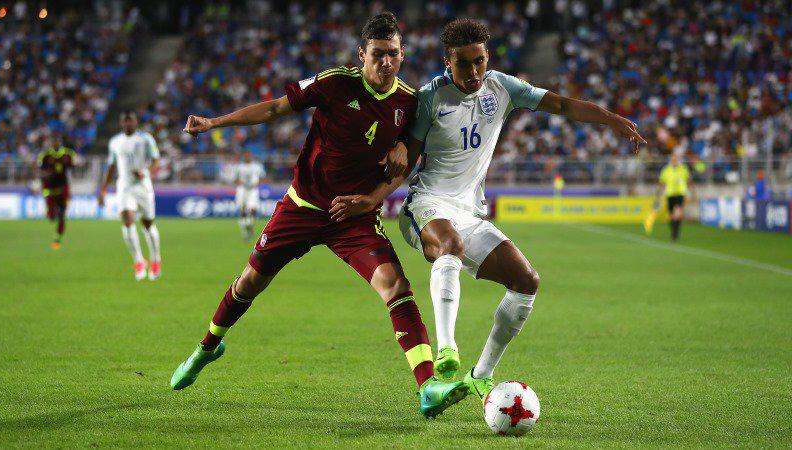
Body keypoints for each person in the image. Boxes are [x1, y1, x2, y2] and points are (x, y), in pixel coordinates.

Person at [331, 18, 646, 403]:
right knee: (450, 244)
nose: (474, 71)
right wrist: (373, 198)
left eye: (479, 61)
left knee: (526, 281)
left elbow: (562, 104)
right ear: (448, 62)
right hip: (426, 206)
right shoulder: (431, 97)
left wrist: (613, 120)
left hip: (468, 212)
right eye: (464, 64)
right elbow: (408, 158)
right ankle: (447, 352)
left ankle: (481, 376)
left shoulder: (502, 87)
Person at [170, 12, 468, 418]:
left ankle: (429, 385)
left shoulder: (409, 103)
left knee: (396, 287)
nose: (386, 62)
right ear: (361, 54)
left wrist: (394, 165)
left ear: (402, 55)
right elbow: (276, 108)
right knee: (250, 282)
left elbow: (410, 158)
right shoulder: (334, 83)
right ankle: (206, 347)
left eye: (393, 54)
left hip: (355, 216)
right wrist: (213, 122)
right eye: (377, 54)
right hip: (303, 208)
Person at [98, 111, 162, 280]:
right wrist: (103, 189)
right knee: (127, 219)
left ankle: (156, 259)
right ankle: (139, 261)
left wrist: (146, 172)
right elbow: (111, 167)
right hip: (124, 186)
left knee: (148, 224)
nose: (128, 124)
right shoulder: (115, 142)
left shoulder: (146, 139)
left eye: (131, 121)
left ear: (135, 122)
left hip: (142, 186)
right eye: (125, 121)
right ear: (121, 123)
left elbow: (156, 160)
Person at [36, 135, 75, 249]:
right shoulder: (45, 155)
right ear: (50, 143)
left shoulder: (68, 154)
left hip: (63, 189)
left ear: (60, 141)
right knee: (52, 217)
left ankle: (57, 239)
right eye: (53, 141)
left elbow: (73, 169)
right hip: (50, 190)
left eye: (57, 140)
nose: (55, 143)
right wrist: (45, 175)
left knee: (62, 215)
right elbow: (39, 171)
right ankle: (52, 213)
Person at [658, 153, 691, 241]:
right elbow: (662, 183)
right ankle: (674, 231)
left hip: (680, 194)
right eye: (673, 159)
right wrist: (659, 195)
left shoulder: (683, 169)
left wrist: (691, 193)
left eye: (676, 159)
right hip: (670, 194)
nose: (674, 161)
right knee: (670, 216)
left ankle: (675, 233)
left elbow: (689, 181)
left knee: (678, 213)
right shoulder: (666, 170)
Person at [233, 151, 266, 241]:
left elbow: (263, 177)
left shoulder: (257, 166)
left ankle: (249, 224)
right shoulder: (239, 167)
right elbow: (234, 179)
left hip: (253, 190)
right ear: (244, 156)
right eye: (245, 155)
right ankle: (245, 231)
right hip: (242, 189)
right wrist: (239, 182)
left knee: (253, 209)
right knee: (242, 209)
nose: (247, 156)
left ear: (251, 156)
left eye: (248, 155)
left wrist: (258, 183)